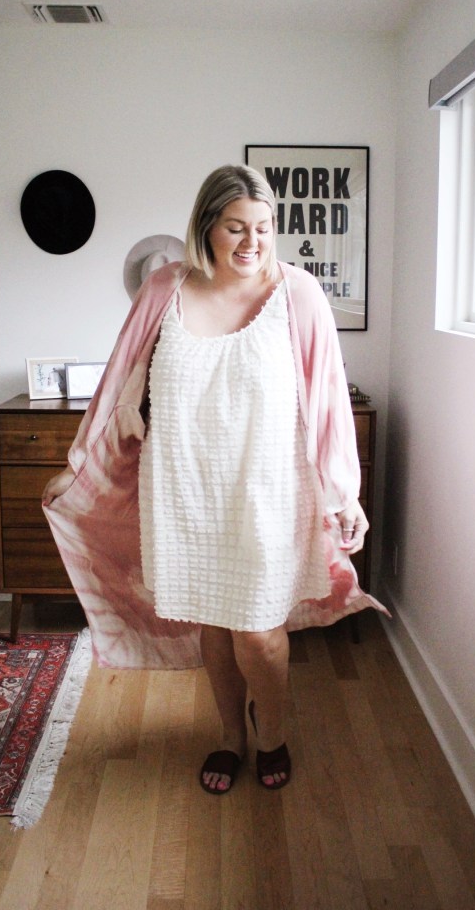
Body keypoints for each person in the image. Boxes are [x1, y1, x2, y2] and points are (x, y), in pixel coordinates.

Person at [42, 164, 389, 795]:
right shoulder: (163, 289)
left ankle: (272, 732)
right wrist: (76, 466)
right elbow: (119, 382)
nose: (252, 242)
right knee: (212, 622)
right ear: (206, 227)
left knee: (258, 629)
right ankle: (231, 734)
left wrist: (344, 494)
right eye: (236, 227)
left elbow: (329, 399)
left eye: (264, 227)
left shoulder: (298, 294)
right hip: (181, 492)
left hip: (268, 496)